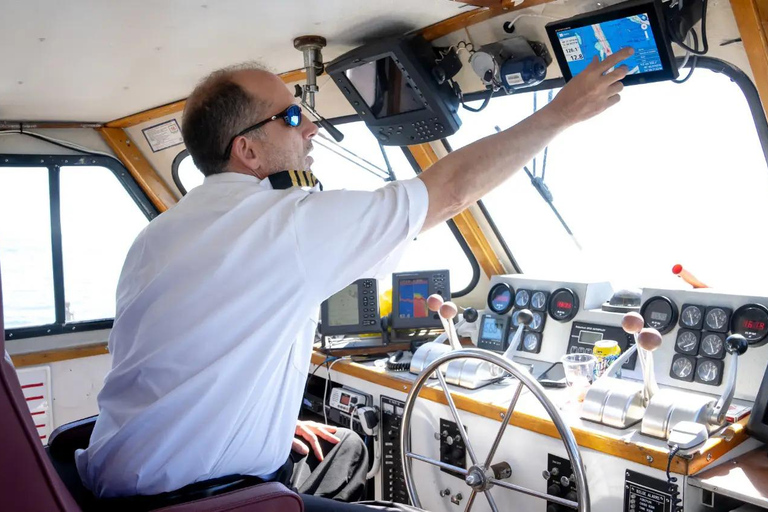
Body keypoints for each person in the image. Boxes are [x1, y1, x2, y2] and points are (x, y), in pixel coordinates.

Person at [75, 48, 633, 511]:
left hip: (116, 477)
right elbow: (450, 191)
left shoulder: (161, 234)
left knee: (344, 450)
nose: (312, 126)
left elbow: (178, 355)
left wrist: (259, 423)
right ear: (246, 149)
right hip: (198, 499)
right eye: (291, 118)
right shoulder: (283, 221)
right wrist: (558, 114)